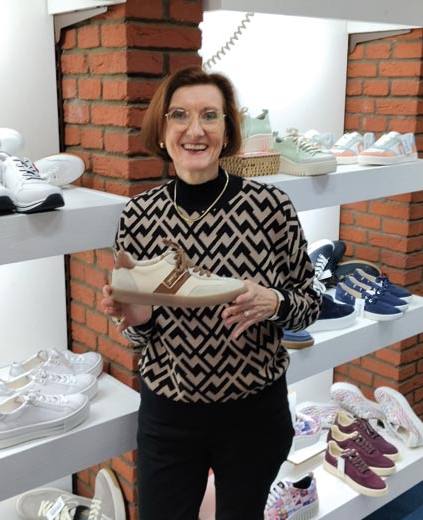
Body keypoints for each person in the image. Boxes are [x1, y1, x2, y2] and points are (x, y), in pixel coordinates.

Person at [101, 66, 321, 520]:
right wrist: (138, 322)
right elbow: (139, 337)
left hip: (253, 414)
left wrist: (274, 302)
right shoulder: (138, 215)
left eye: (210, 116)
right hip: (169, 415)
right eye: (180, 115)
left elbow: (310, 302)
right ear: (162, 130)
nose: (195, 130)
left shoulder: (270, 207)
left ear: (228, 130)